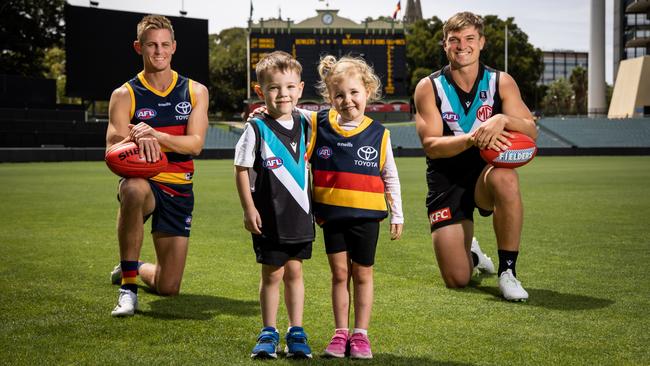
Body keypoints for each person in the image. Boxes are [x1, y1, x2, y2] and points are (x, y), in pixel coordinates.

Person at [413, 11, 537, 301]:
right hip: (447, 179)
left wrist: (503, 119)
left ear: (481, 42)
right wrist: (471, 138)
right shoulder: (428, 87)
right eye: (454, 40)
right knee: (458, 279)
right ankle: (472, 253)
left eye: (470, 38)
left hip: (486, 175)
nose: (462, 45)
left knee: (507, 177)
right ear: (445, 45)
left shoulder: (500, 81)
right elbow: (431, 144)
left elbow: (531, 130)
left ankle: (508, 272)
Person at [106, 14, 209, 316]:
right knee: (133, 189)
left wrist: (156, 136)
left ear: (174, 47)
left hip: (179, 187)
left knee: (168, 287)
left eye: (165, 44)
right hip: (146, 181)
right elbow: (112, 150)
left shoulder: (195, 91)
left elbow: (196, 144)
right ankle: (129, 287)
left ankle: (135, 267)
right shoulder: (124, 95)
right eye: (151, 45)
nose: (159, 51)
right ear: (139, 47)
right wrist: (137, 141)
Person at [311, 55, 404, 359]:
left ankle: (361, 335)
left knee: (362, 274)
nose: (347, 100)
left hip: (366, 217)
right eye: (339, 94)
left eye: (354, 92)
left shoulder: (379, 134)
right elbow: (291, 113)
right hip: (332, 215)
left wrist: (398, 213)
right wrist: (264, 111)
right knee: (339, 274)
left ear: (367, 91)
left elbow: (390, 175)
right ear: (330, 97)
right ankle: (340, 333)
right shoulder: (318, 124)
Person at [234, 51, 314, 359]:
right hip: (269, 217)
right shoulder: (256, 129)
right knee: (272, 274)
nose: (284, 94)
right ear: (260, 91)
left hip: (300, 217)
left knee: (295, 272)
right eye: (275, 88)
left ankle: (297, 331)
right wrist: (248, 207)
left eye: (291, 87)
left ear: (301, 89)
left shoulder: (308, 124)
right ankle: (268, 331)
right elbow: (241, 168)